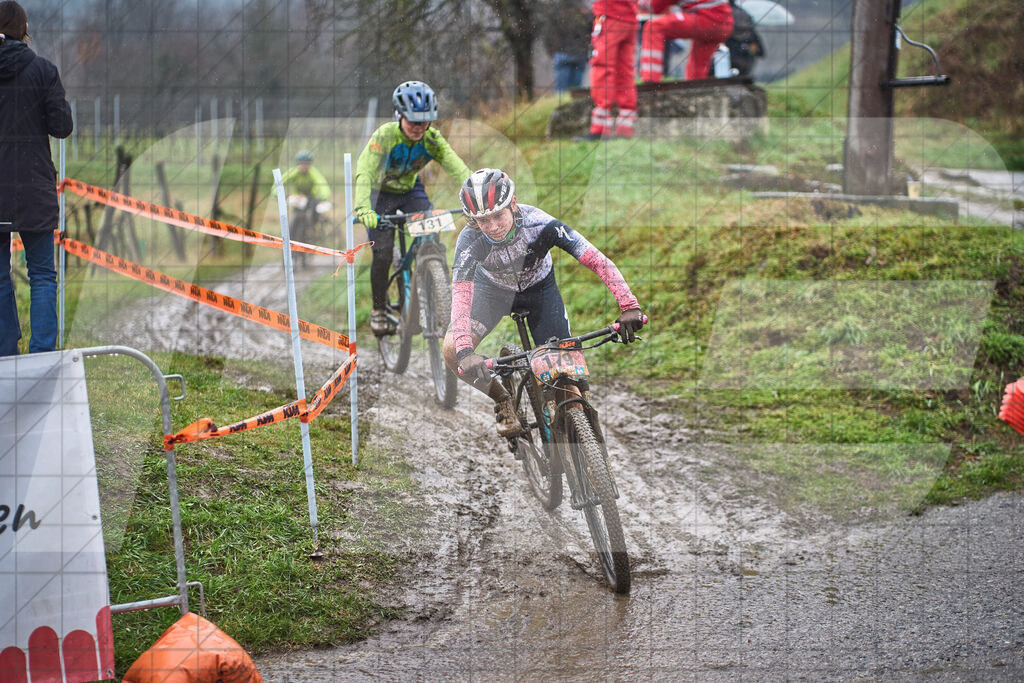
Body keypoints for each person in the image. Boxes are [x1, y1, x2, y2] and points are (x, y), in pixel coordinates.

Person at [443, 169, 645, 437]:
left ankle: (582, 439)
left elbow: (595, 259)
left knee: (567, 382)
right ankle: (502, 399)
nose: (492, 227)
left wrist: (629, 305)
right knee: (451, 350)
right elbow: (461, 293)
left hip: (539, 290)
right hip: (491, 293)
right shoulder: (469, 240)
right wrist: (465, 351)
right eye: (482, 220)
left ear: (513, 204)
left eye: (498, 215)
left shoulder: (539, 223)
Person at [354, 80, 471, 336]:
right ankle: (379, 309)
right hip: (379, 194)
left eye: (424, 121)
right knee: (383, 252)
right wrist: (363, 209)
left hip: (409, 190)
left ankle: (436, 288)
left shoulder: (432, 139)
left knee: (431, 234)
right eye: (413, 121)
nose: (418, 127)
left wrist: (477, 194)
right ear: (399, 116)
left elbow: (458, 169)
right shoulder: (385, 136)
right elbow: (364, 171)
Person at [0, 1, 72, 356]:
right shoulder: (44, 71)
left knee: (0, 277)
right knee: (42, 274)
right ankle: (42, 354)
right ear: (24, 30)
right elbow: (62, 127)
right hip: (34, 187)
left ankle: (4, 354)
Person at [580, 0, 638, 140]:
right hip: (630, 18)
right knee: (624, 72)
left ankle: (600, 129)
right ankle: (625, 129)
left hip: (609, 15)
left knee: (602, 68)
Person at [639, 0, 734, 83]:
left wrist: (637, 3)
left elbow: (655, 7)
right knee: (697, 71)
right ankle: (696, 89)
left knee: (653, 27)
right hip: (723, 22)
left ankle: (651, 79)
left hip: (708, 18)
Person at [540, 2, 593, 93]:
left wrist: (551, 50)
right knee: (575, 91)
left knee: (561, 92)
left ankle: (563, 100)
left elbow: (548, 33)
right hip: (579, 54)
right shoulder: (583, 10)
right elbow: (591, 28)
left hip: (562, 53)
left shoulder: (556, 10)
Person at [280, 150, 332, 220]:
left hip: (311, 198)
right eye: (302, 163)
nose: (304, 166)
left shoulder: (313, 173)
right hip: (298, 198)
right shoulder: (293, 172)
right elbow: (281, 181)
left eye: (307, 164)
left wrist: (324, 196)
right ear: (298, 164)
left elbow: (322, 184)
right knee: (294, 214)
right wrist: (277, 193)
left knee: (315, 213)